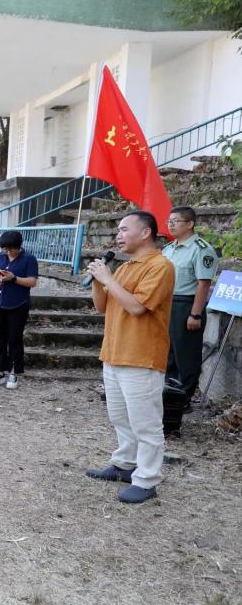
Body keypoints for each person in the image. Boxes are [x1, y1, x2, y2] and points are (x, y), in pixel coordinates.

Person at [85, 211, 175, 504]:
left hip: (141, 356)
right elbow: (102, 307)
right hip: (114, 352)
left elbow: (137, 307)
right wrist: (98, 281)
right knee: (120, 417)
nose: (118, 235)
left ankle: (147, 479)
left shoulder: (160, 266)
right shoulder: (124, 268)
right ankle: (125, 464)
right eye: (118, 230)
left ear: (146, 232)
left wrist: (108, 278)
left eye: (124, 229)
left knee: (145, 423)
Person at [161, 206, 219, 436]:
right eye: (169, 220)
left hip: (186, 304)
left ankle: (182, 399)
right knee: (168, 352)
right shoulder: (169, 249)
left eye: (175, 221)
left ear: (190, 224)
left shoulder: (201, 249)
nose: (170, 224)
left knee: (185, 354)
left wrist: (195, 314)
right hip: (167, 303)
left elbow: (203, 284)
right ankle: (167, 394)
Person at [0, 231, 38, 390]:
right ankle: (0, 370)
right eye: (5, 249)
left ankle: (15, 371)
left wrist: (13, 278)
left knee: (14, 338)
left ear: (18, 246)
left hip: (18, 304)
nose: (7, 252)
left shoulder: (29, 259)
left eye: (10, 249)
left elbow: (32, 282)